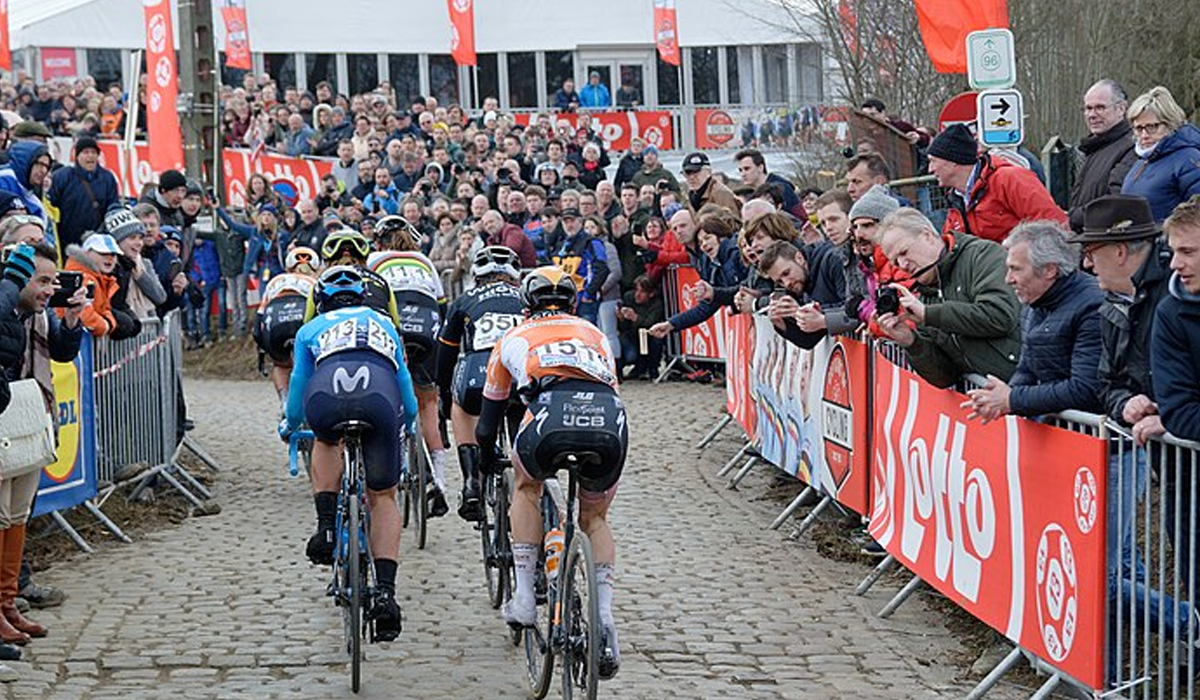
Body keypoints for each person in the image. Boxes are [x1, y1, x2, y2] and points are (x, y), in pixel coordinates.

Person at [475, 266, 626, 680]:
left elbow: (487, 424)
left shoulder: (512, 336)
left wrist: (486, 462)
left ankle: (524, 596)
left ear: (526, 305)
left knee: (526, 488)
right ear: (573, 304)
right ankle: (606, 617)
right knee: (594, 518)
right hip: (606, 419)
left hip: (548, 416)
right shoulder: (594, 333)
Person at [282, 265, 417, 643]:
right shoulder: (383, 322)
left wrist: (291, 424)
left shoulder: (311, 328)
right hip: (380, 393)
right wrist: (405, 420)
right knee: (384, 496)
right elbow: (404, 382)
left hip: (328, 390)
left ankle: (326, 527)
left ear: (321, 302)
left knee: (325, 440)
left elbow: (297, 387)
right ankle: (386, 595)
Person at [0, 242, 85, 668]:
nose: (50, 289)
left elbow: (66, 350)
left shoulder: (39, 313)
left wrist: (71, 320)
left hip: (31, 413)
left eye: (53, 280)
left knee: (17, 515)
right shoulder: (8, 309)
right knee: (0, 516)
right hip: (6, 416)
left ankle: (8, 603)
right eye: (42, 280)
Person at [961, 220, 1104, 420]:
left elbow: (1084, 388)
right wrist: (999, 399)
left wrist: (1012, 399)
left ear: (1049, 270)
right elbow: (1028, 367)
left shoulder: (1091, 307)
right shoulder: (1034, 301)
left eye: (1016, 269)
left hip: (1097, 439)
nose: (1008, 279)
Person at [875, 208, 1021, 388]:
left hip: (1028, 393)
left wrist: (930, 314)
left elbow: (1000, 316)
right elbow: (945, 377)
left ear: (927, 235)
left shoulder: (981, 255)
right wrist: (911, 342)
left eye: (904, 252)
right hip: (995, 402)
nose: (903, 265)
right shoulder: (924, 296)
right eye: (896, 262)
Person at [368, 216, 452, 516]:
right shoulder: (424, 261)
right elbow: (442, 305)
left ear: (379, 242)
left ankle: (400, 457)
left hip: (396, 321)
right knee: (429, 402)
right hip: (427, 322)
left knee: (391, 392)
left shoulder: (375, 259)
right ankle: (440, 478)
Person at [435, 246, 525, 520]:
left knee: (462, 408)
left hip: (480, 370)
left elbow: (447, 353)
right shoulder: (525, 298)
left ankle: (471, 482)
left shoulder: (464, 300)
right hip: (521, 372)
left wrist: (444, 394)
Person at [927, 124, 1067, 242]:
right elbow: (950, 247)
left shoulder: (1010, 179)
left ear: (952, 162)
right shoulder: (955, 200)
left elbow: (1053, 225)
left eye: (933, 161)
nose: (930, 169)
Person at [1120, 86, 1200, 223]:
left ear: (1170, 124)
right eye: (1139, 128)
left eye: (1152, 127)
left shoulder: (1189, 160)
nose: (1144, 135)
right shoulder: (1142, 161)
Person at [1068, 79, 1137, 231]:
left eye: (1100, 107)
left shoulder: (1130, 148)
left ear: (1121, 109)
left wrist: (1073, 218)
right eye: (1088, 108)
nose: (1092, 115)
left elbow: (1115, 202)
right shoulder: (1095, 148)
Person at [254, 247, 319, 405]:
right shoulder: (315, 282)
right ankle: (307, 403)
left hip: (275, 320)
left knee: (281, 365)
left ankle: (285, 401)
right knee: (312, 363)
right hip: (303, 317)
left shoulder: (276, 280)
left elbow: (259, 317)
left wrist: (263, 347)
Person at [48, 136, 119, 249]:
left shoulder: (107, 178)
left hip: (97, 242)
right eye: (86, 152)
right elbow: (51, 204)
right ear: (77, 156)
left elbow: (113, 206)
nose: (90, 156)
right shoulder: (62, 177)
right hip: (66, 241)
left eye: (94, 152)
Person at [63, 234, 140, 339]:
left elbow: (103, 310)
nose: (109, 258)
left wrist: (109, 321)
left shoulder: (100, 279)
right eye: (103, 253)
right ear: (87, 252)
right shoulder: (83, 279)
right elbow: (85, 315)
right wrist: (105, 325)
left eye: (113, 254)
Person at [551, 208, 610, 323]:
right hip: (565, 300)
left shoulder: (592, 242)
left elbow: (602, 269)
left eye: (572, 221)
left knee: (587, 337)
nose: (569, 225)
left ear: (580, 222)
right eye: (565, 222)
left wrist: (588, 294)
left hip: (584, 300)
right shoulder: (561, 245)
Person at [617, 274, 666, 379]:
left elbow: (651, 323)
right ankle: (626, 368)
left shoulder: (657, 304)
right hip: (631, 335)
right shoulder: (628, 297)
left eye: (642, 292)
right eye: (636, 290)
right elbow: (623, 327)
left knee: (656, 340)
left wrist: (635, 317)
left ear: (651, 293)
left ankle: (652, 369)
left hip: (648, 336)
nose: (637, 295)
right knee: (626, 349)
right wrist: (621, 318)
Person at [735, 148, 805, 220]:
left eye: (747, 168)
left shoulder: (781, 188)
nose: (743, 174)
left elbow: (795, 219)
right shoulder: (756, 193)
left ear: (760, 168)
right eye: (740, 170)